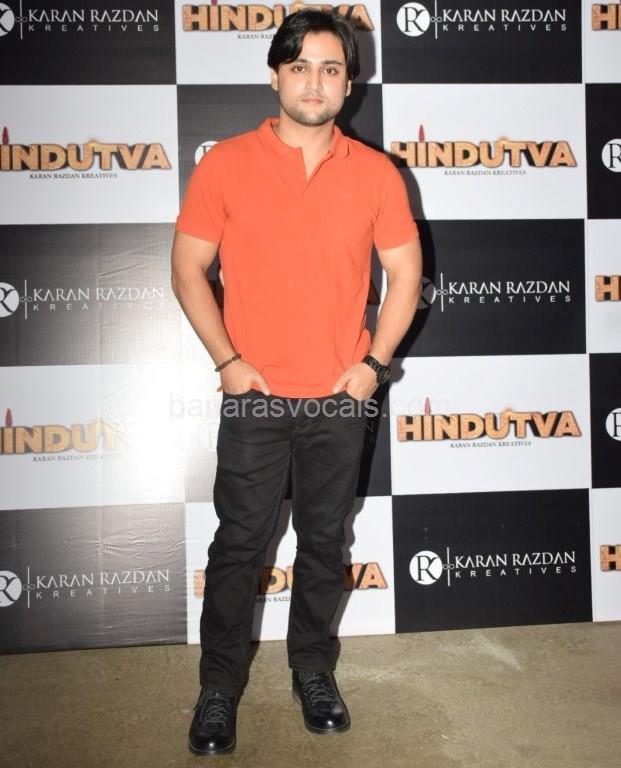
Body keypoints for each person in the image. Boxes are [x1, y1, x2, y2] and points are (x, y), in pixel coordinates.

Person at [171, 8, 422, 757]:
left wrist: (373, 366)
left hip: (339, 400)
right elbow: (187, 269)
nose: (315, 82)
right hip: (255, 398)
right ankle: (219, 686)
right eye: (301, 66)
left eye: (331, 68)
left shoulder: (376, 173)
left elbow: (406, 276)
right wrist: (228, 362)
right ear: (276, 76)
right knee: (239, 544)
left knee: (323, 541)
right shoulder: (225, 164)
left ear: (349, 83)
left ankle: (312, 669)